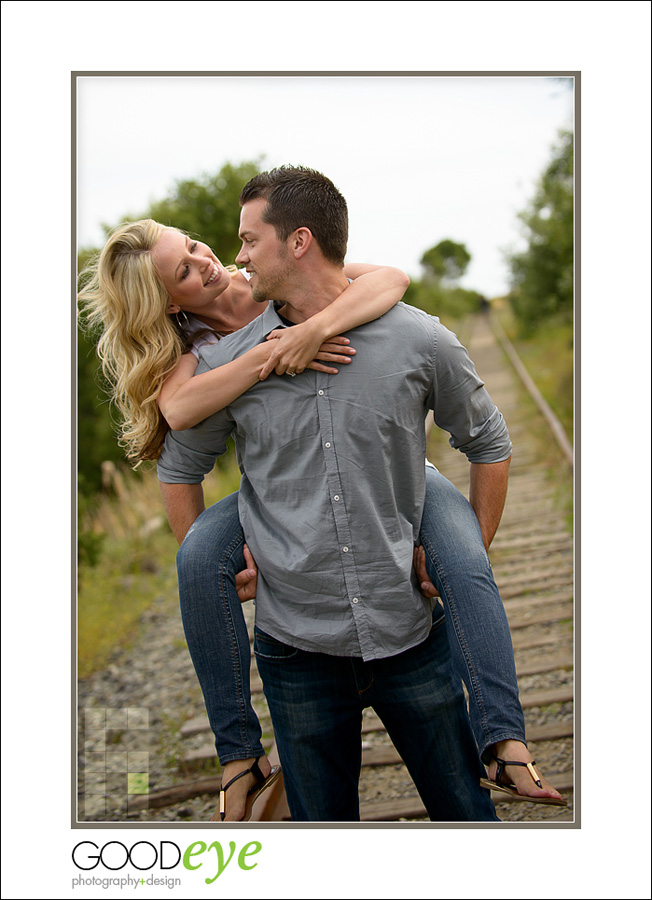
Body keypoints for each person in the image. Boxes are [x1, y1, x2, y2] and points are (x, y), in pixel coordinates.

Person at [156, 165, 564, 821]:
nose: (231, 258)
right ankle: (238, 758)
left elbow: (489, 442)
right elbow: (181, 460)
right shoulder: (223, 363)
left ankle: (505, 739)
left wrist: (470, 542)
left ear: (299, 242)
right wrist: (229, 552)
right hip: (296, 654)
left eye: (247, 240)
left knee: (468, 818)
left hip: (409, 636)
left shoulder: (416, 336)